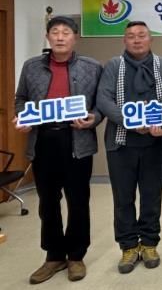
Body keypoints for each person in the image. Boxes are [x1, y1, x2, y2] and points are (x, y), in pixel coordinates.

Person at [14, 16, 102, 284]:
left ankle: (75, 256)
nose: (60, 37)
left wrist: (94, 118)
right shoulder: (31, 67)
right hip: (43, 140)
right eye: (55, 32)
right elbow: (21, 98)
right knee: (47, 201)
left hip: (77, 140)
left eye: (66, 32)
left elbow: (101, 104)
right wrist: (23, 117)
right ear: (48, 36)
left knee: (78, 201)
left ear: (75, 37)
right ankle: (53, 256)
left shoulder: (92, 67)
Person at [96, 21, 162, 274]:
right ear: (124, 41)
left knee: (152, 196)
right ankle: (128, 246)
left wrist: (158, 121)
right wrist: (130, 121)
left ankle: (150, 243)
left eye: (142, 35)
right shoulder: (113, 65)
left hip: (153, 142)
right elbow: (103, 99)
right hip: (121, 143)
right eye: (131, 36)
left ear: (151, 39)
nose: (137, 40)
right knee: (123, 198)